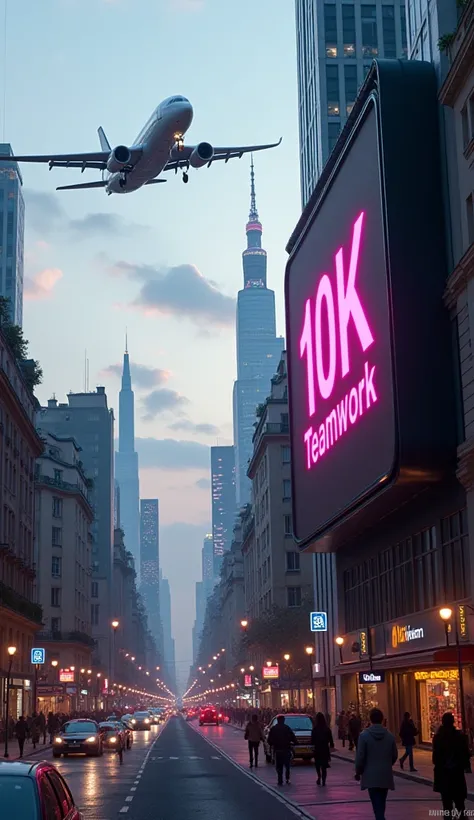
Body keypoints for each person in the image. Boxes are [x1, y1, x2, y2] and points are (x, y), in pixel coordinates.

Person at [355, 708, 397, 820]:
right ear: (382, 719)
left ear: (370, 719)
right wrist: (387, 764)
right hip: (385, 774)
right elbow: (394, 755)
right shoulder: (390, 736)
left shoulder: (364, 736)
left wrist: (358, 771)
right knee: (382, 803)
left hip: (370, 775)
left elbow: (360, 756)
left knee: (376, 804)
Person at [432, 711, 471, 817]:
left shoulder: (438, 738)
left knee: (447, 807)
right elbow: (466, 755)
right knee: (460, 806)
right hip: (457, 775)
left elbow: (435, 759)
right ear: (453, 722)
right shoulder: (460, 737)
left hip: (444, 776)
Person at [267, 715, 297, 786]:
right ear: (283, 720)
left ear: (277, 720)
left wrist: (273, 744)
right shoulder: (287, 728)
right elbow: (293, 738)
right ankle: (287, 778)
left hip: (277, 750)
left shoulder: (273, 729)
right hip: (286, 749)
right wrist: (294, 742)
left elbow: (269, 740)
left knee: (279, 766)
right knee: (287, 765)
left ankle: (280, 780)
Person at [311, 712, 334, 786]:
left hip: (317, 749)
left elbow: (312, 740)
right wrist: (331, 746)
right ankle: (324, 780)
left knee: (318, 765)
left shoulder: (315, 729)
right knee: (324, 766)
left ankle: (319, 776)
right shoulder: (327, 729)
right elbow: (331, 740)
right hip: (324, 749)